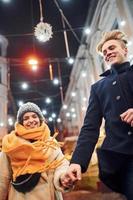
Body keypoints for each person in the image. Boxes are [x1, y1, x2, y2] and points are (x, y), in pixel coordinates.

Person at [62, 30, 133, 200]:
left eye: (112, 47)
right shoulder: (98, 88)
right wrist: (77, 161)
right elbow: (90, 128)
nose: (107, 52)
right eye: (105, 52)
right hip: (123, 159)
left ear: (125, 50)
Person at [0, 102, 71, 200]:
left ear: (40, 119)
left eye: (34, 116)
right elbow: (2, 177)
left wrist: (62, 177)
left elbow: (61, 164)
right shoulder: (11, 144)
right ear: (21, 123)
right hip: (20, 196)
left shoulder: (50, 142)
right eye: (26, 118)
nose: (31, 120)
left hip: (47, 195)